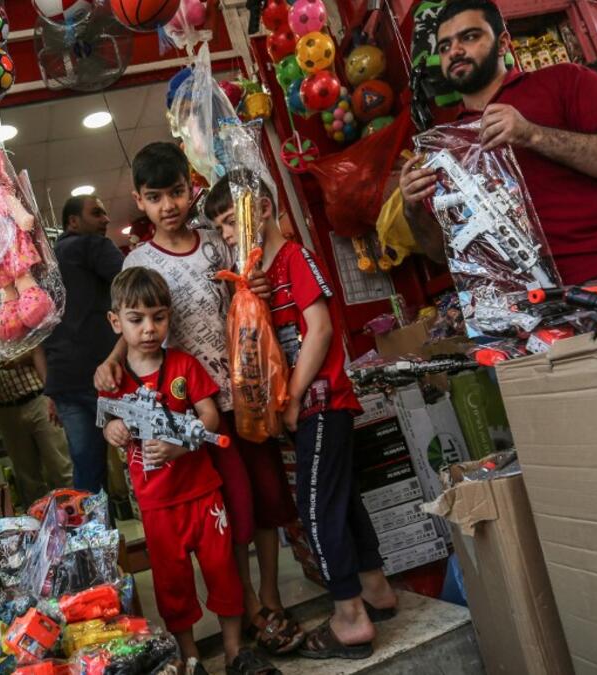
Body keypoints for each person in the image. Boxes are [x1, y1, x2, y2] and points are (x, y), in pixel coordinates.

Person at [95, 142, 302, 655]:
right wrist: (113, 357)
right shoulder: (140, 259)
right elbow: (136, 315)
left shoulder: (218, 239)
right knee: (231, 510)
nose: (169, 205)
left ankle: (271, 597)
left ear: (192, 190)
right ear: (140, 203)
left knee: (269, 499)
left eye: (177, 192)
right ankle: (249, 603)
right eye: (155, 197)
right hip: (195, 407)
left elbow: (250, 280)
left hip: (248, 390)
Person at [209, 170, 397, 660]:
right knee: (343, 499)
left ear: (262, 211)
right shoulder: (260, 276)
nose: (228, 235)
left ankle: (350, 618)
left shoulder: (295, 257)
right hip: (308, 407)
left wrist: (291, 398)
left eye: (231, 221)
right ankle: (375, 589)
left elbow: (320, 331)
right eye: (222, 228)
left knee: (316, 513)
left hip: (320, 403)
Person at [99, 266, 279, 675]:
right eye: (136, 319)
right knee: (173, 585)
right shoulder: (113, 380)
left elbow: (211, 417)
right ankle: (191, 658)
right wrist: (113, 429)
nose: (149, 328)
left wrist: (180, 447)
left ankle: (235, 653)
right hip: (158, 504)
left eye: (158, 317)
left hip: (203, 494)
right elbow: (107, 421)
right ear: (115, 322)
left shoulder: (183, 364)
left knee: (223, 572)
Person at [400, 0, 597, 286]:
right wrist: (411, 207)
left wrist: (533, 135)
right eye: (444, 46)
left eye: (470, 37)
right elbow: (439, 252)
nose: (455, 51)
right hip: (522, 311)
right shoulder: (444, 145)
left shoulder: (564, 81)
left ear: (503, 43)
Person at [43, 195, 123, 494]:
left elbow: (39, 337)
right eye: (97, 213)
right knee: (146, 456)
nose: (105, 219)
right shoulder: (93, 245)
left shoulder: (44, 265)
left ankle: (97, 538)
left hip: (65, 382)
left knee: (87, 474)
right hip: (108, 374)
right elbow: (132, 286)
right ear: (73, 222)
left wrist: (50, 388)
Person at [0, 335, 73, 508]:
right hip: (7, 411)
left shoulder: (12, 327)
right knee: (27, 477)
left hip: (38, 401)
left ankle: (76, 516)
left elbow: (39, 351)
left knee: (60, 465)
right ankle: (42, 524)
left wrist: (16, 360)